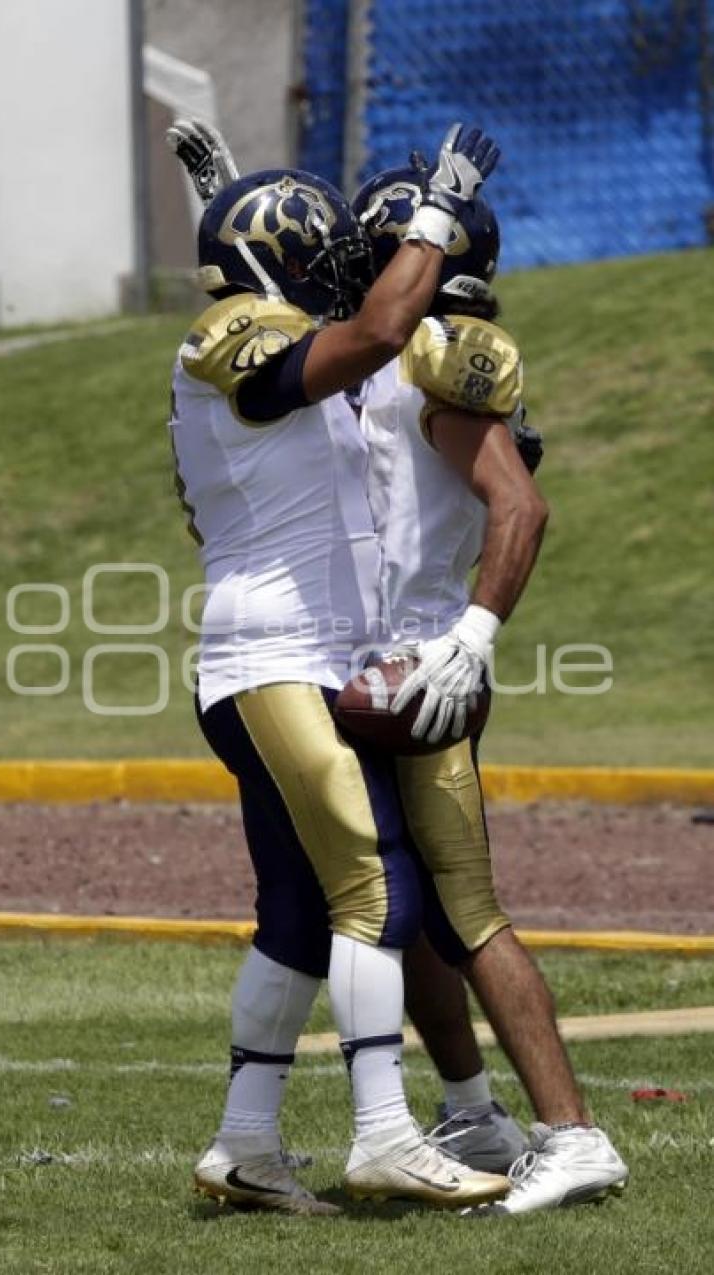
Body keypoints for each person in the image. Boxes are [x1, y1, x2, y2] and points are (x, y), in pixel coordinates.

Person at [169, 125, 512, 1215]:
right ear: (282, 270)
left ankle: (242, 1149)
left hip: (291, 654)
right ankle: (382, 1133)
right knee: (377, 890)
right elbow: (371, 328)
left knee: (299, 914)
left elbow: (340, 343)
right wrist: (434, 213)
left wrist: (231, 201)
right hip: (271, 656)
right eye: (315, 256)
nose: (337, 272)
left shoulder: (264, 331)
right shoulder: (233, 335)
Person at [350, 168, 630, 1213]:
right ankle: (471, 1107)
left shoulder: (438, 360)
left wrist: (471, 633)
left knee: (466, 912)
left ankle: (574, 1131)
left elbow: (520, 508)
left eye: (381, 247)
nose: (360, 264)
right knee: (412, 913)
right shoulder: (387, 357)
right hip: (385, 659)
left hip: (425, 669)